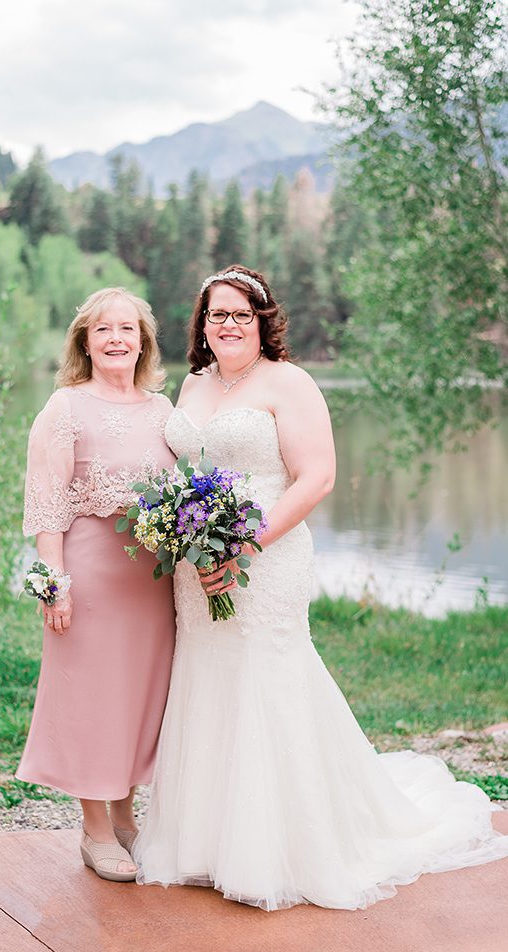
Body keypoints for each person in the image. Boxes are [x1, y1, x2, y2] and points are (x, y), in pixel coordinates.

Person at [134, 264, 508, 909]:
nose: (226, 324)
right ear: (200, 324)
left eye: (239, 314)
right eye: (215, 314)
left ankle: (281, 846)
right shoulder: (191, 385)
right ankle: (204, 840)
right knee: (208, 676)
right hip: (197, 566)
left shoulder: (291, 383)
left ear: (262, 320)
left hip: (265, 557)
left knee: (266, 679)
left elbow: (317, 478)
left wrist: (243, 544)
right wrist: (179, 535)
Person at [18, 288, 176, 882]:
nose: (116, 339)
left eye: (128, 329)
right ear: (85, 341)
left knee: (138, 697)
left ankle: (126, 816)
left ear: (143, 342)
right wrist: (52, 583)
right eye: (104, 329)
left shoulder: (163, 411)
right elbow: (45, 502)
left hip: (150, 583)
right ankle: (95, 831)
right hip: (89, 574)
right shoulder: (65, 407)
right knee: (90, 698)